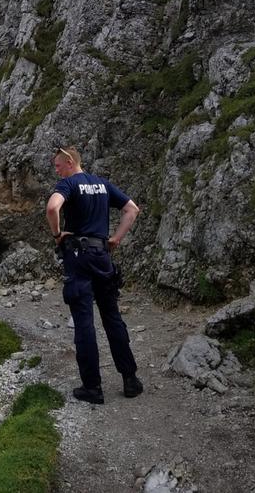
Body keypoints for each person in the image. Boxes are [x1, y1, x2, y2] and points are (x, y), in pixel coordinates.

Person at [46, 146, 143, 404]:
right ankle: (130, 379)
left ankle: (93, 387)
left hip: (78, 257)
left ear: (69, 161)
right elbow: (132, 209)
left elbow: (53, 208)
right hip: (102, 255)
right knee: (112, 317)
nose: (56, 170)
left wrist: (57, 235)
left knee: (84, 321)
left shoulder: (69, 184)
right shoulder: (102, 184)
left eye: (57, 165)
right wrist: (115, 240)